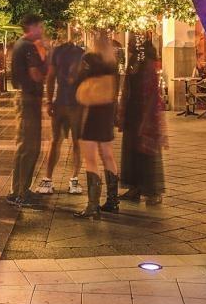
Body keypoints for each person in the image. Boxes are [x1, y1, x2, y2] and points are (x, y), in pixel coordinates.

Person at [74, 41, 122, 219]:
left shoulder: (88, 59)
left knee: (91, 158)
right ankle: (112, 201)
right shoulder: (112, 64)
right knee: (108, 155)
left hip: (91, 112)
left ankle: (93, 205)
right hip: (107, 111)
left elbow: (77, 82)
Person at [120, 36, 166, 205]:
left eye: (132, 40)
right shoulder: (134, 60)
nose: (128, 43)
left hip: (144, 114)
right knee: (131, 152)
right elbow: (128, 86)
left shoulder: (147, 63)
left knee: (147, 153)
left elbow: (151, 92)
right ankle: (135, 187)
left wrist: (146, 118)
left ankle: (153, 192)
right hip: (133, 114)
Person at [39, 32, 86, 196]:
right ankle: (74, 180)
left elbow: (50, 78)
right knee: (76, 143)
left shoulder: (56, 52)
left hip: (61, 102)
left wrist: (49, 101)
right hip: (76, 104)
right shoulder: (81, 53)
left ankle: (48, 179)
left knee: (55, 141)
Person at [8, 15, 46, 209]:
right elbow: (36, 74)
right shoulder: (28, 46)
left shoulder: (20, 45)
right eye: (40, 26)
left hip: (26, 98)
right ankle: (21, 193)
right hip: (28, 99)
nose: (43, 30)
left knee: (26, 146)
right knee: (29, 147)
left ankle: (20, 190)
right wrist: (46, 60)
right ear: (32, 27)